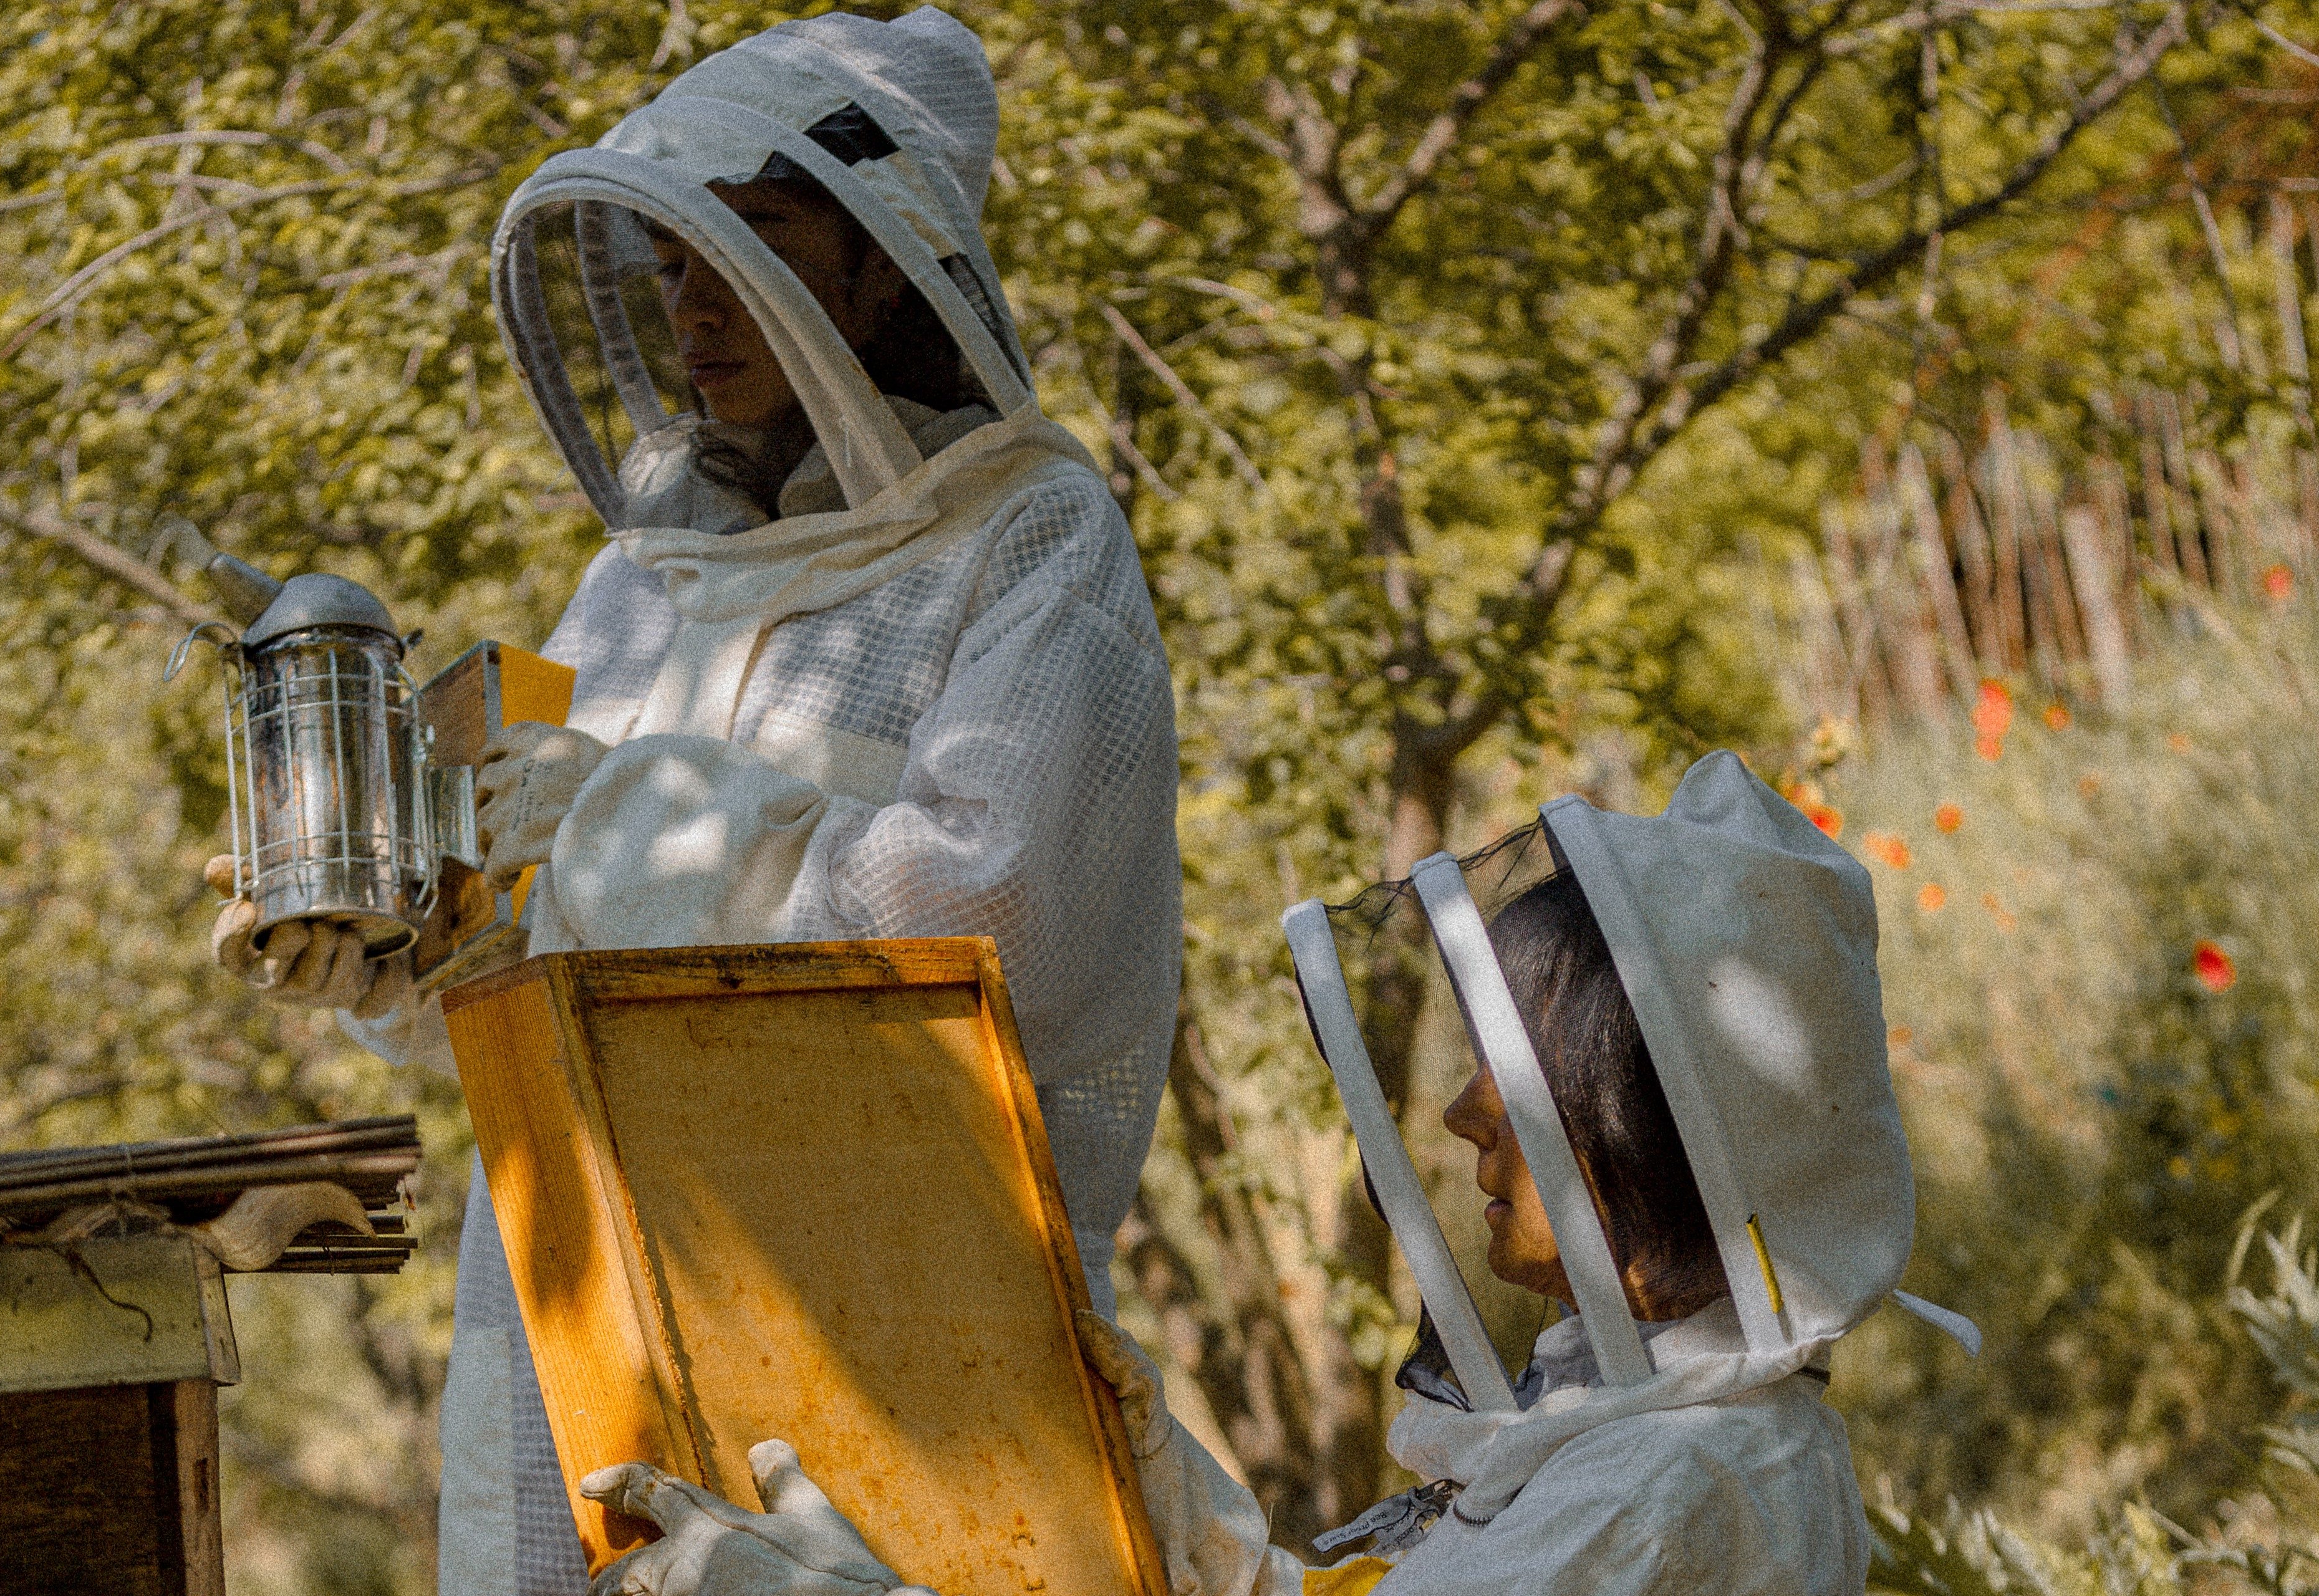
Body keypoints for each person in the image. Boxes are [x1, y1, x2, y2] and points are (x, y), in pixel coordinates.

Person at [205, 11, 1181, 1596]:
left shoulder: (1035, 545)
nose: (693, 307)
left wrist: (621, 821)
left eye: (752, 248)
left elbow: (995, 914)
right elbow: (543, 926)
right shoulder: (645, 580)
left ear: (881, 264)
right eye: (667, 263)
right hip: (584, 1299)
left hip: (886, 1320)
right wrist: (391, 950)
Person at [572, 751, 1973, 1595]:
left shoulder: (1677, 1482)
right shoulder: (1644, 1422)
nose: (1462, 1113)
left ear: (1663, 1126)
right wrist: (1164, 1490)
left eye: (1523, 1066)